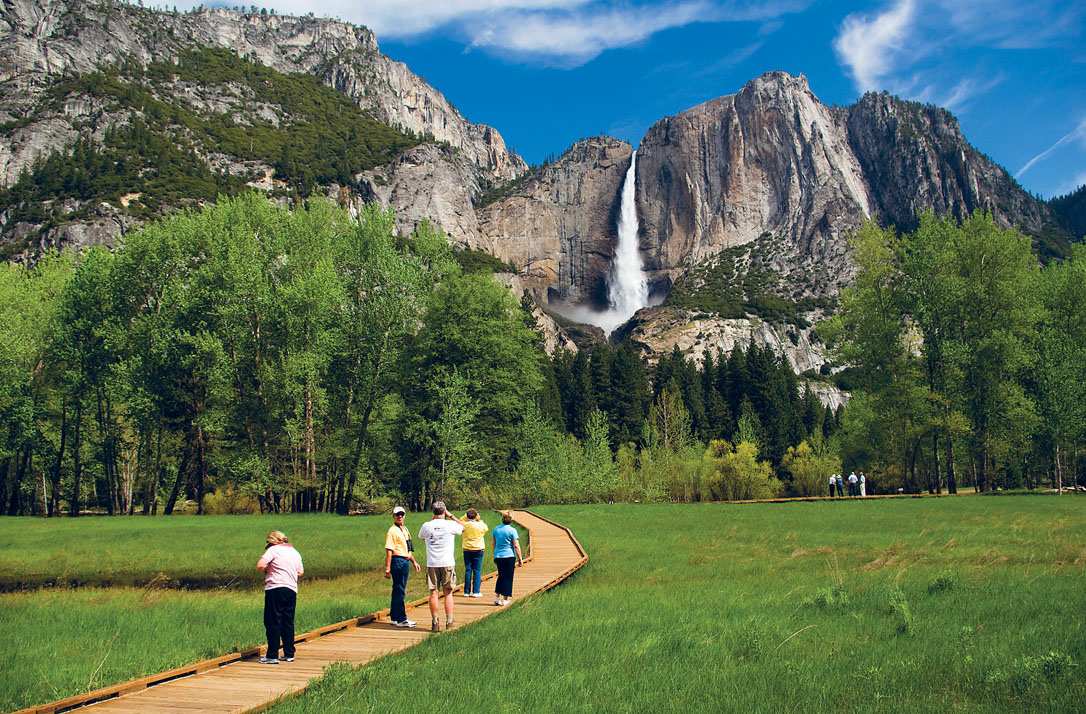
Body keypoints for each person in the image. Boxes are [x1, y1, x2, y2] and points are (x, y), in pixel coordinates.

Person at [256, 530, 303, 664]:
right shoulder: (295, 552)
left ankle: (272, 655)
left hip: (275, 588)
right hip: (291, 590)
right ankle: (289, 653)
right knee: (287, 622)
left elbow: (260, 564)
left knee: (272, 621)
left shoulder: (273, 550)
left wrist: (267, 571)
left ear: (272, 541)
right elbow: (300, 572)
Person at [418, 500, 465, 632]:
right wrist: (451, 516)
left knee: (433, 593)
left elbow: (421, 536)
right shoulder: (450, 525)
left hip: (432, 563)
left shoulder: (426, 526)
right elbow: (463, 527)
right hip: (447, 562)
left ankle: (435, 622)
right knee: (448, 593)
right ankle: (449, 622)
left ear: (433, 512)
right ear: (444, 511)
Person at [385, 506, 421, 627]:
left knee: (397, 589)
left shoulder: (404, 529)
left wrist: (414, 561)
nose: (400, 516)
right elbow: (390, 550)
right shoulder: (392, 531)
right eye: (397, 515)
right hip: (398, 561)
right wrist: (387, 568)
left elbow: (407, 549)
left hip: (405, 560)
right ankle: (401, 619)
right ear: (393, 516)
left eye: (402, 514)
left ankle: (394, 617)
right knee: (399, 590)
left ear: (404, 515)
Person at [492, 510, 524, 607]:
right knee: (508, 577)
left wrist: (494, 555)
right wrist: (520, 559)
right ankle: (505, 599)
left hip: (498, 556)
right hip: (509, 556)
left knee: (501, 576)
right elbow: (516, 545)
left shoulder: (496, 530)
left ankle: (497, 597)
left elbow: (494, 544)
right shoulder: (512, 530)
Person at [461, 508, 489, 598]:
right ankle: (476, 591)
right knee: (477, 570)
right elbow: (486, 528)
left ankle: (466, 591)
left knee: (468, 570)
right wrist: (479, 519)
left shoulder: (464, 524)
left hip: (467, 549)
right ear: (476, 516)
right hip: (478, 549)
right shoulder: (480, 525)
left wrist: (466, 516)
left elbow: (460, 520)